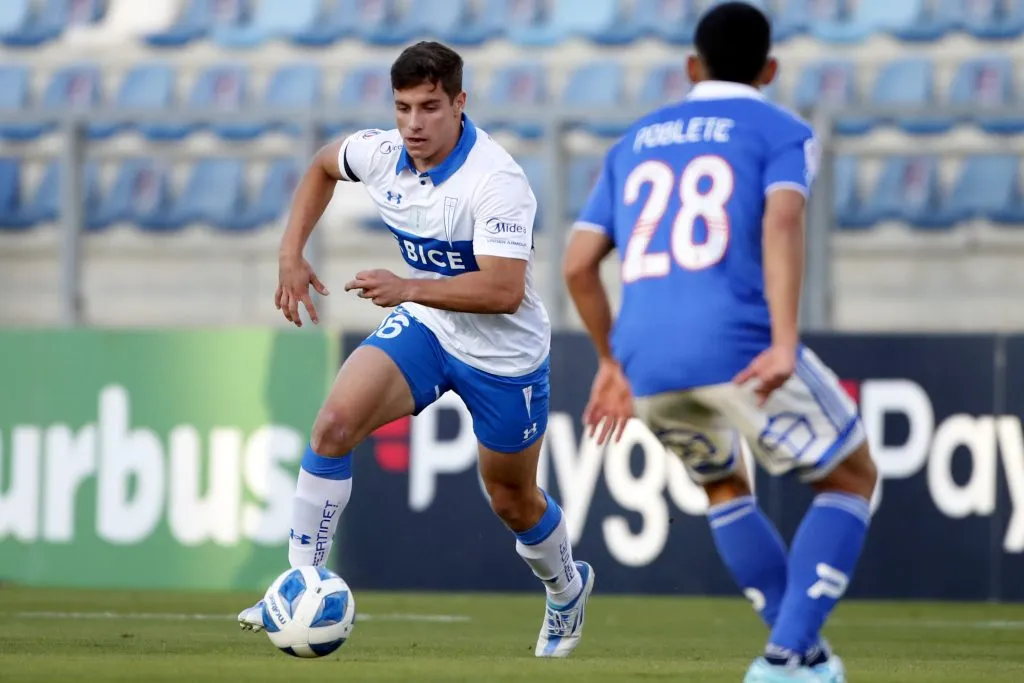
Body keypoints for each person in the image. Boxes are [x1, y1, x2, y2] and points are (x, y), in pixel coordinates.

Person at [236, 40, 593, 659]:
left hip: (505, 358)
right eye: (403, 107)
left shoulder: (498, 181)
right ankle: (297, 586)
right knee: (333, 425)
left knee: (511, 498)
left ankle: (566, 587)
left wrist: (406, 286)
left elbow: (505, 290)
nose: (413, 124)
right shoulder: (381, 153)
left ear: (460, 103)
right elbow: (323, 165)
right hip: (430, 327)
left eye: (429, 107)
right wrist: (290, 253)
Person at [561, 3, 877, 682]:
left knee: (724, 485)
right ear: (770, 68)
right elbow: (784, 220)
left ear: (690, 67)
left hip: (647, 364)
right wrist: (786, 340)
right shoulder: (781, 129)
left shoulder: (633, 141)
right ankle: (785, 656)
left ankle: (806, 656)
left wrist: (611, 363)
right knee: (852, 475)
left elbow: (577, 265)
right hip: (738, 344)